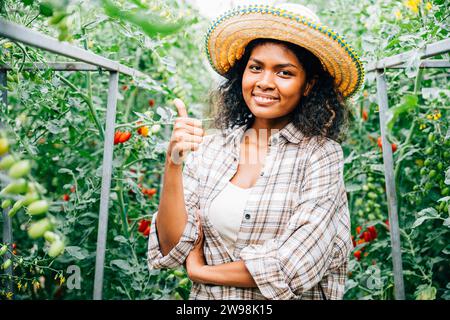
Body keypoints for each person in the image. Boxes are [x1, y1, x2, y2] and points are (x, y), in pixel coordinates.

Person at [147, 3, 365, 300]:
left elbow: (295, 266)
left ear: (308, 85)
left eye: (284, 73)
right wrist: (173, 164)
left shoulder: (320, 156)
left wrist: (201, 272)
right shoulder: (213, 149)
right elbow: (174, 248)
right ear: (242, 75)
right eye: (256, 67)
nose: (264, 82)